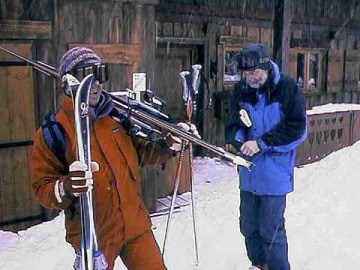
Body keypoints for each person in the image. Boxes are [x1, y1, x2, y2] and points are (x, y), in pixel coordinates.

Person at [30, 47, 196, 270]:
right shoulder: (54, 131)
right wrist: (67, 186)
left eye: (100, 74)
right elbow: (42, 188)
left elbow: (140, 154)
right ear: (68, 82)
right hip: (94, 233)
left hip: (135, 224)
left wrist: (168, 145)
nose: (96, 83)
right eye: (86, 75)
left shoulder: (117, 117)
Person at [225, 44, 307, 270]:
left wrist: (262, 144)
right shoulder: (242, 90)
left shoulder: (287, 88)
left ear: (266, 66)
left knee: (271, 228)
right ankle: (259, 265)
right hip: (249, 171)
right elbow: (233, 124)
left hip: (275, 172)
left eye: (253, 72)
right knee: (248, 226)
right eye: (245, 73)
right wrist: (238, 140)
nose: (249, 77)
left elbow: (297, 129)